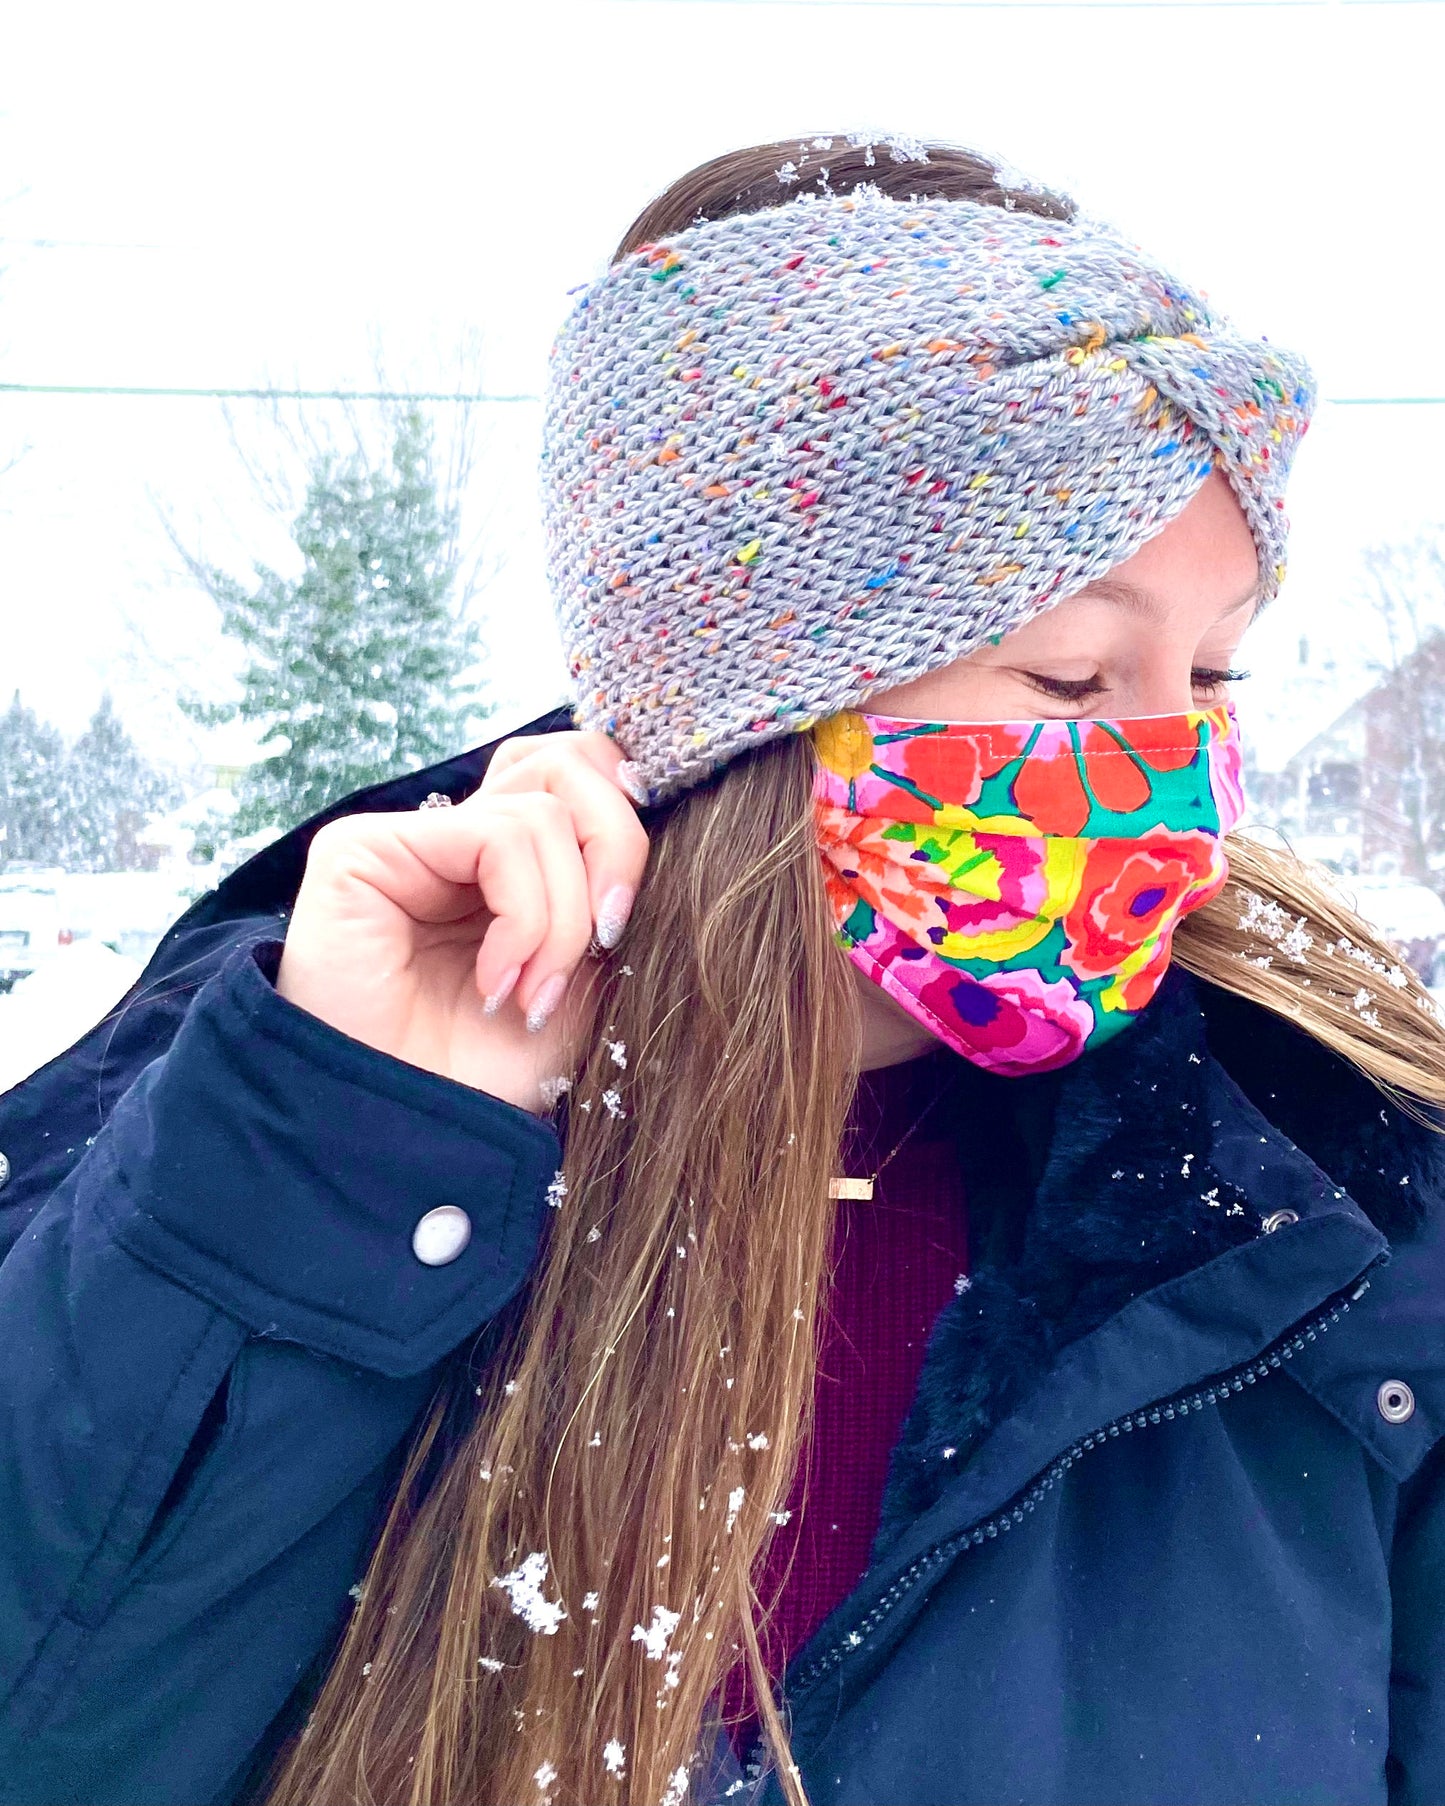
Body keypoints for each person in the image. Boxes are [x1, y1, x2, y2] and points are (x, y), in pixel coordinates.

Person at [1, 137, 1443, 1806]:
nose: (1174, 774)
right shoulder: (274, 1098)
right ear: (736, 698)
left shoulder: (1333, 1210)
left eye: (1209, 672)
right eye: (1070, 674)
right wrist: (336, 1160)